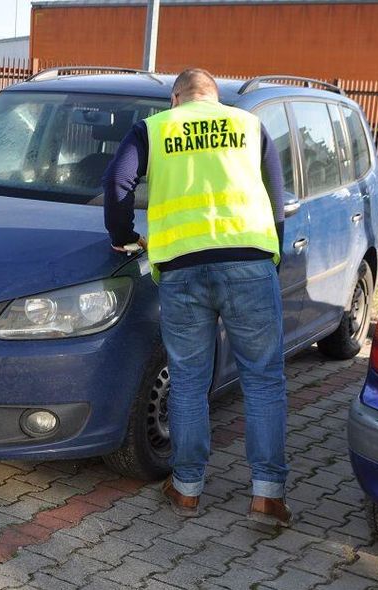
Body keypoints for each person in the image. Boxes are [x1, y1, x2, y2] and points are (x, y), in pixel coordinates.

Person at [102, 68, 290, 526]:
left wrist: (124, 237)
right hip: (249, 264)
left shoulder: (155, 128)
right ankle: (267, 496)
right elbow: (275, 196)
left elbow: (117, 183)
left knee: (188, 381)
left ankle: (186, 488)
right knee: (263, 379)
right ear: (214, 96)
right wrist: (271, 255)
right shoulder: (249, 125)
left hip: (182, 269)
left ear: (176, 98)